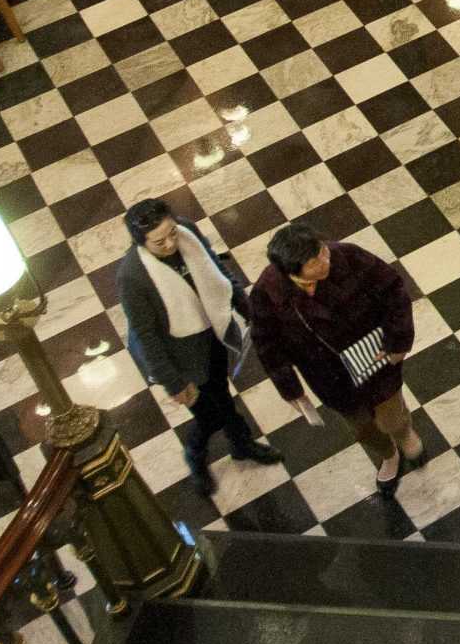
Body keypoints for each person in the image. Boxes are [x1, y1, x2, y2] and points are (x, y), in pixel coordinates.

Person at [246, 220, 425, 499]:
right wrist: (290, 388)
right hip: (330, 376)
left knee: (391, 414)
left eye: (322, 251)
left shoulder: (348, 256)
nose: (325, 258)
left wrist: (398, 342)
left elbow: (394, 291)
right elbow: (266, 343)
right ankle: (388, 455)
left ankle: (403, 434)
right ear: (294, 271)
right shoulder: (267, 293)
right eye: (315, 260)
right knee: (361, 426)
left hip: (375, 358)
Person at [117, 199, 282, 499]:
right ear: (140, 242)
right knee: (209, 416)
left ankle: (241, 444)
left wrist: (246, 308)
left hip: (211, 335)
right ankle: (195, 456)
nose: (169, 243)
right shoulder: (132, 277)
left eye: (172, 233)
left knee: (222, 393)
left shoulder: (188, 232)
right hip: (179, 357)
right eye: (159, 241)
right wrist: (174, 383)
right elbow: (147, 336)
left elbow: (216, 273)